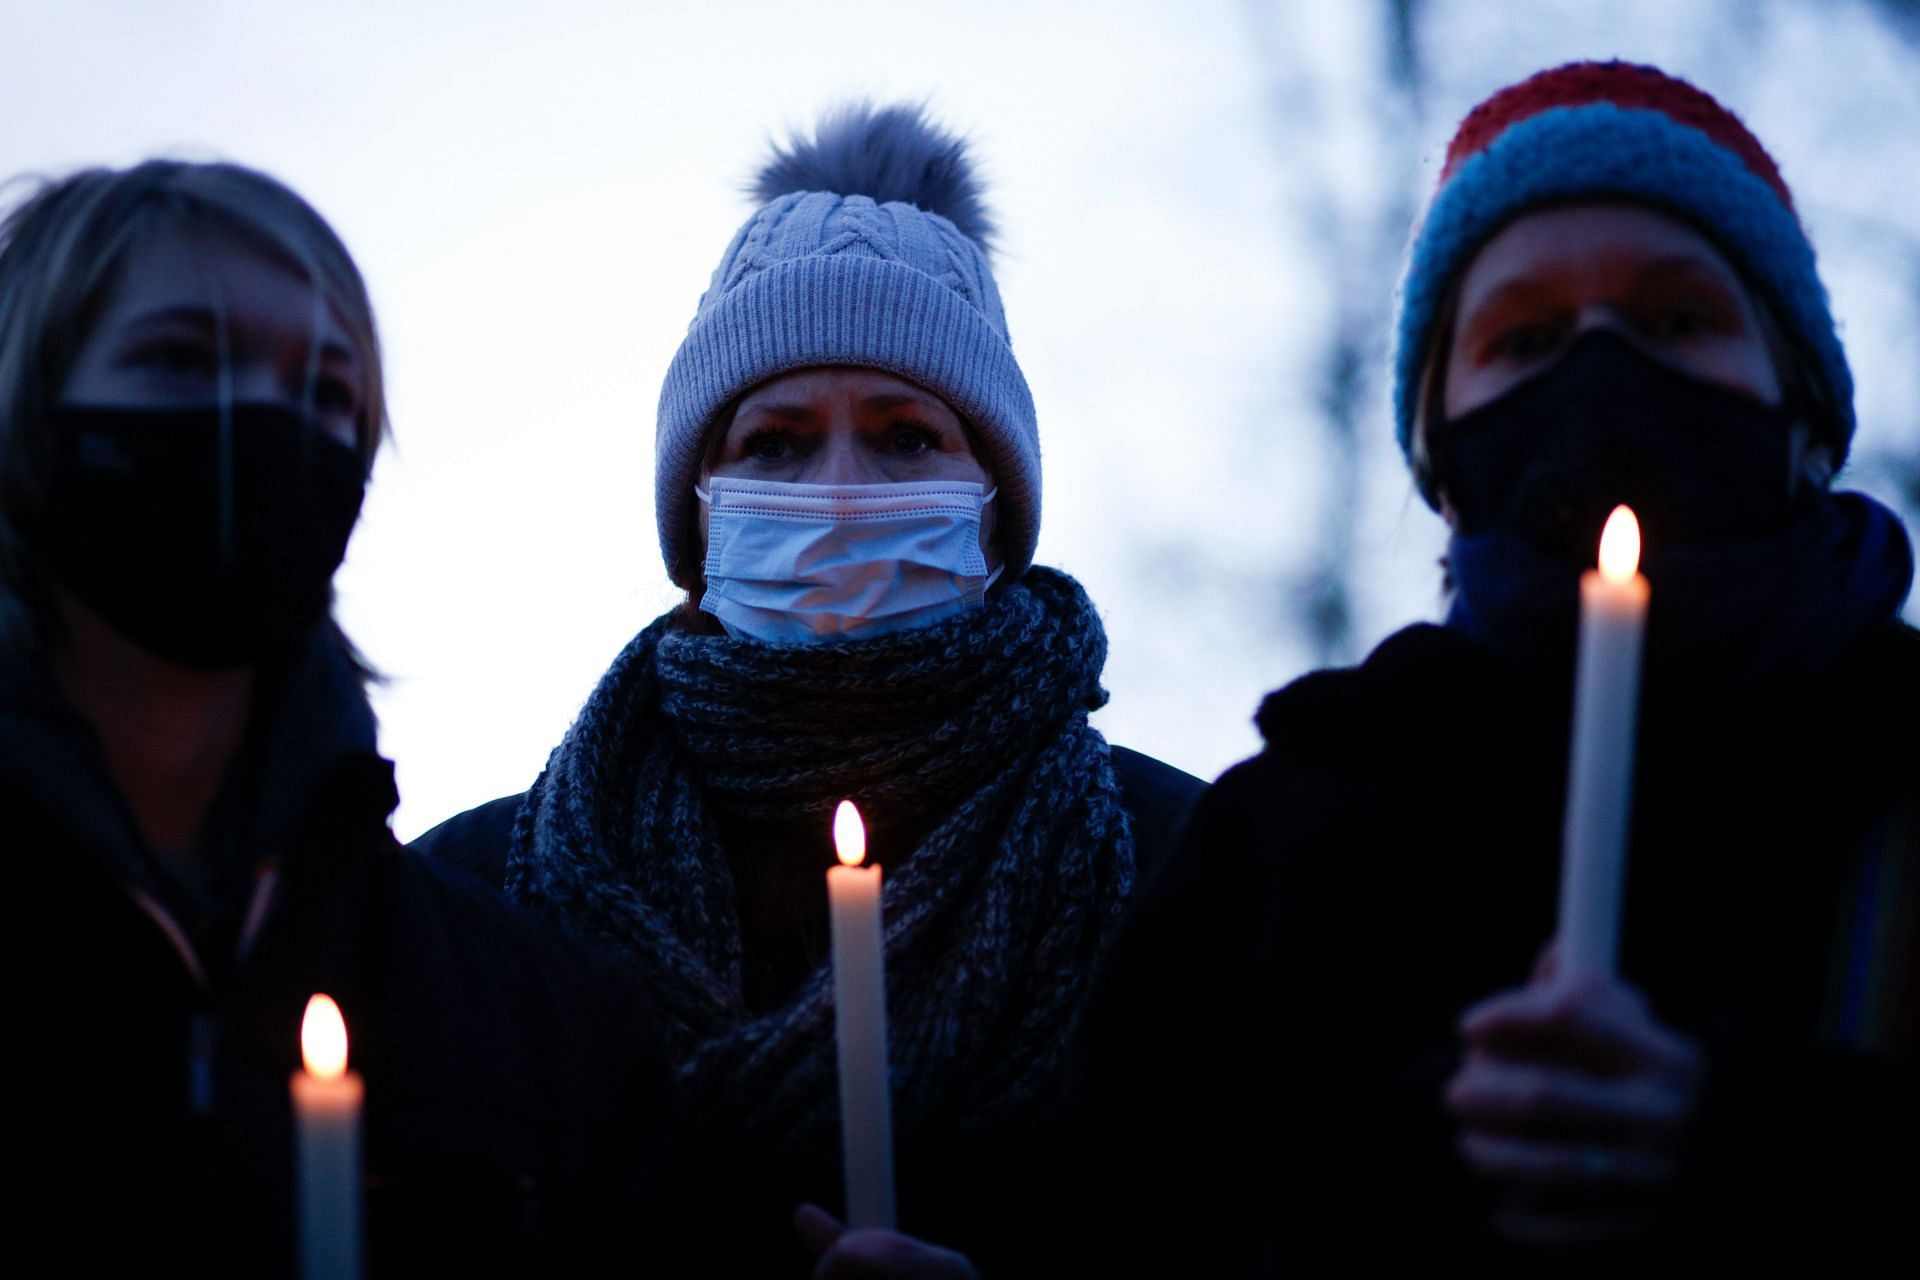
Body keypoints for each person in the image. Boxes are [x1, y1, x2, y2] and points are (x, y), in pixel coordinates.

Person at [1071, 61, 1917, 1276]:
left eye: (1678, 317)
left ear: (1802, 407)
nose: (1603, 373)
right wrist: (1411, 1171)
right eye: (1525, 337)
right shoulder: (1290, 825)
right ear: (1444, 451)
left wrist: (1760, 1143)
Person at [413, 103, 1206, 1277]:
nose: (838, 492)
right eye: (776, 443)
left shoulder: (1180, 876)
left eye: (904, 436)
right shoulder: (475, 909)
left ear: (998, 509)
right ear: (699, 512)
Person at [2, 161, 684, 1275]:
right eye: (181, 360)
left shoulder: (542, 1026)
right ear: (28, 405)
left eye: (323, 391)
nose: (262, 425)